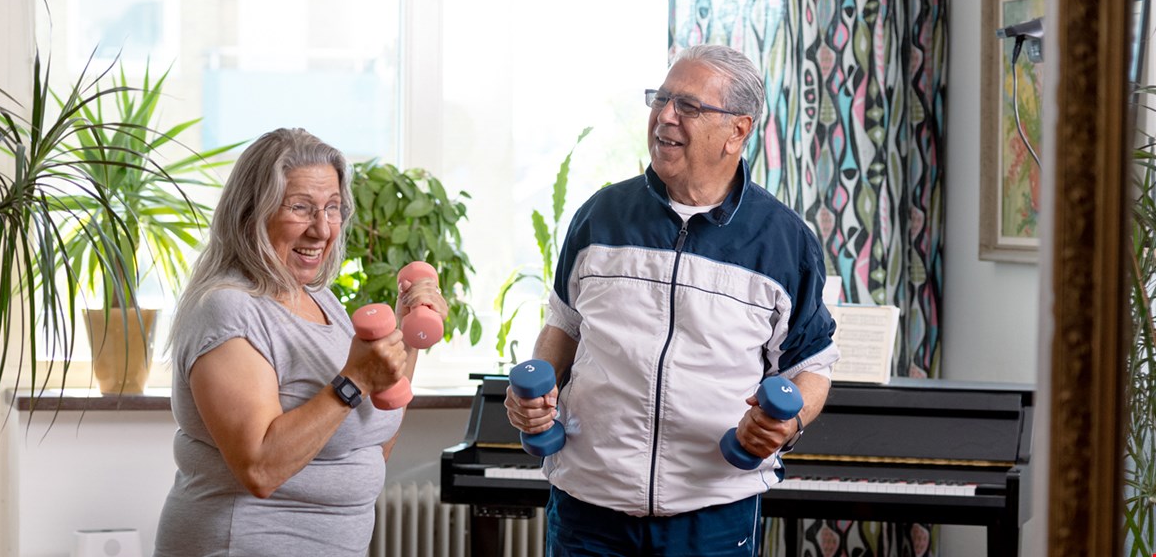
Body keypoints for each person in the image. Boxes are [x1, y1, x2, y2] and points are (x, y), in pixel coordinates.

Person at [505, 44, 840, 556]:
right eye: (660, 100)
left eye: (688, 106)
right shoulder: (601, 215)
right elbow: (564, 325)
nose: (664, 116)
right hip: (588, 506)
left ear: (738, 131)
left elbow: (812, 364)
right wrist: (532, 397)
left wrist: (786, 424)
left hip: (713, 512)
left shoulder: (783, 241)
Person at [153, 128, 446, 556]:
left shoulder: (320, 300)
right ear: (252, 212)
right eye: (301, 208)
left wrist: (408, 336)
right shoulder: (229, 308)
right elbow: (260, 468)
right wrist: (353, 380)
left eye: (332, 208)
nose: (322, 229)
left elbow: (370, 441)